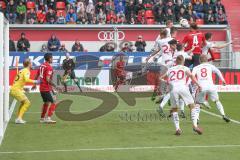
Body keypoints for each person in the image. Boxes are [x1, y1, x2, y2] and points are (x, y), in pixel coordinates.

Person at [160, 55, 202, 135]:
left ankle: (177, 129)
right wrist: (198, 84)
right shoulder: (185, 68)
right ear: (183, 62)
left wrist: (167, 82)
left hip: (173, 89)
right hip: (183, 88)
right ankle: (195, 126)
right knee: (192, 106)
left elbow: (161, 78)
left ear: (176, 62)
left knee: (174, 109)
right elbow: (191, 76)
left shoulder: (170, 69)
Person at [192, 54, 230, 123]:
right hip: (211, 86)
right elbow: (218, 71)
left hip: (201, 87)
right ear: (206, 60)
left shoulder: (196, 67)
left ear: (199, 60)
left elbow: (192, 76)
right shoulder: (210, 66)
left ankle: (197, 119)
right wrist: (223, 80)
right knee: (217, 101)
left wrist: (191, 83)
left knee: (197, 103)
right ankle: (223, 115)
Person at [32, 53, 60, 123]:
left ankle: (42, 118)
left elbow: (36, 75)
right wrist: (55, 86)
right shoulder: (49, 67)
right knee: (54, 101)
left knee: (46, 103)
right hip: (47, 88)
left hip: (41, 88)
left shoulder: (41, 65)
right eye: (52, 58)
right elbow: (47, 79)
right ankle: (48, 117)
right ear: (50, 59)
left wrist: (34, 84)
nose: (52, 59)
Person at [10, 59, 39, 124]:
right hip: (16, 90)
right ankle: (19, 119)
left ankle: (18, 118)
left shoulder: (22, 70)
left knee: (23, 103)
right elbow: (26, 79)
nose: (32, 64)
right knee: (27, 103)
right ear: (28, 64)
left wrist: (23, 88)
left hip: (14, 89)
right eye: (31, 63)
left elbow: (18, 81)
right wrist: (36, 81)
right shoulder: (26, 71)